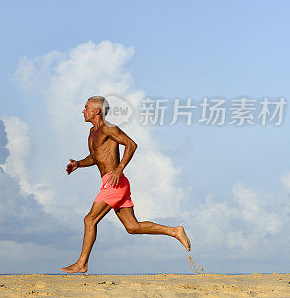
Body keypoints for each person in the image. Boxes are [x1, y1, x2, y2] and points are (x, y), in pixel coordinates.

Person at [60, 96, 191, 274]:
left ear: (96, 110)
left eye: (86, 107)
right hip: (112, 182)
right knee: (132, 227)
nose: (83, 111)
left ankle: (82, 263)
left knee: (90, 219)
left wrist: (119, 168)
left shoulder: (108, 128)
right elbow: (96, 157)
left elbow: (131, 144)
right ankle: (175, 231)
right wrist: (78, 164)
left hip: (114, 183)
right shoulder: (93, 132)